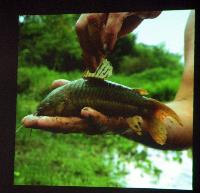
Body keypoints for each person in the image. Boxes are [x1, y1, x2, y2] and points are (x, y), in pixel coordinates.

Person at [22, 11, 194, 150]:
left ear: (62, 101)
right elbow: (189, 106)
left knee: (145, 107)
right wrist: (124, 125)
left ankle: (149, 109)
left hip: (133, 102)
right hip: (132, 104)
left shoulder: (66, 95)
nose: (44, 110)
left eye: (45, 108)